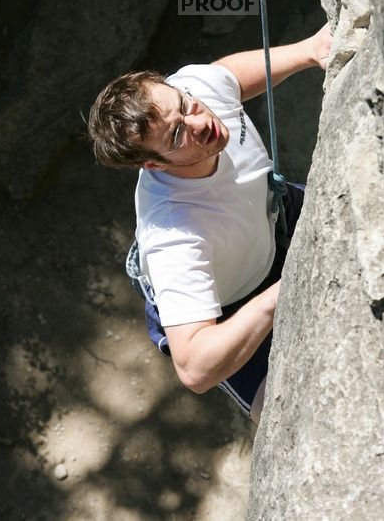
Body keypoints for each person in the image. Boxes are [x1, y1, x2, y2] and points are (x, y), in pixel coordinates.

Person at [88, 23, 332, 424]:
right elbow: (195, 367)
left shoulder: (192, 93)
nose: (199, 122)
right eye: (178, 134)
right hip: (225, 302)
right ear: (153, 164)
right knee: (297, 420)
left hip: (268, 212)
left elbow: (227, 76)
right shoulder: (175, 238)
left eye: (185, 105)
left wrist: (309, 50)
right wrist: (280, 295)